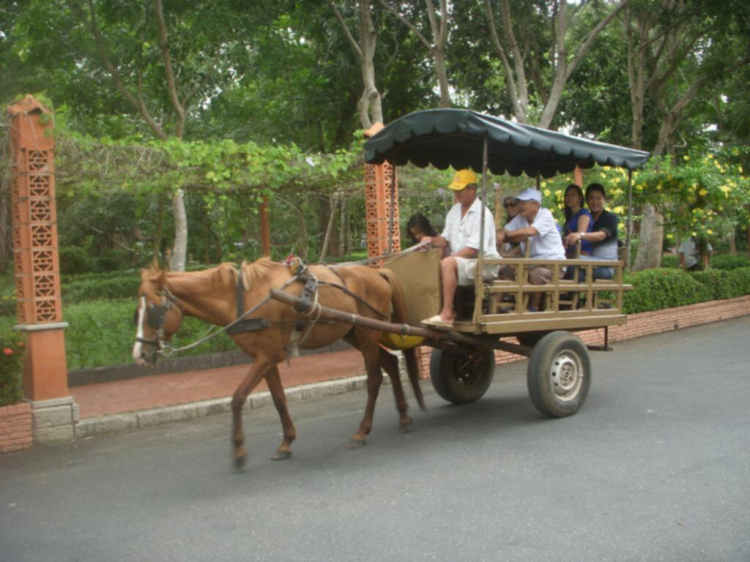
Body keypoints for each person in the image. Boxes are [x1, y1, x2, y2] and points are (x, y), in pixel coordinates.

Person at [422, 169, 500, 325]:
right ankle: (433, 309)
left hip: (484, 264)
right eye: (454, 190)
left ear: (472, 189)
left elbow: (473, 250)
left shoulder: (482, 212)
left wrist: (449, 260)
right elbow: (445, 240)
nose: (456, 194)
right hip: (464, 262)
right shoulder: (454, 210)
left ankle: (447, 313)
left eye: (460, 190)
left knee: (447, 263)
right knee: (433, 264)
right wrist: (429, 240)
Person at [496, 187, 566, 312]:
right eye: (520, 203)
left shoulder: (545, 214)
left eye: (524, 203)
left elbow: (530, 231)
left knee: (535, 273)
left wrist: (506, 236)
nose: (521, 206)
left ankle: (533, 307)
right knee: (504, 271)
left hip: (553, 264)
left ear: (535, 204)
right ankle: (497, 307)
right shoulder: (521, 218)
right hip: (531, 263)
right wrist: (499, 234)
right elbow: (505, 230)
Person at [563, 183, 618, 280]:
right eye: (591, 198)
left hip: (605, 266)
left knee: (574, 269)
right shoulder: (588, 217)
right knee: (564, 268)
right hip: (589, 262)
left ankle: (573, 295)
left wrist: (580, 235)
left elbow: (601, 235)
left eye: (598, 198)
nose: (595, 202)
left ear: (604, 199)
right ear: (587, 200)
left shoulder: (610, 218)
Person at [561, 184, 593, 258]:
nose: (569, 198)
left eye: (573, 195)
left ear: (580, 198)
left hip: (581, 254)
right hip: (569, 253)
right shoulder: (570, 216)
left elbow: (580, 236)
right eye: (568, 195)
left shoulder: (583, 214)